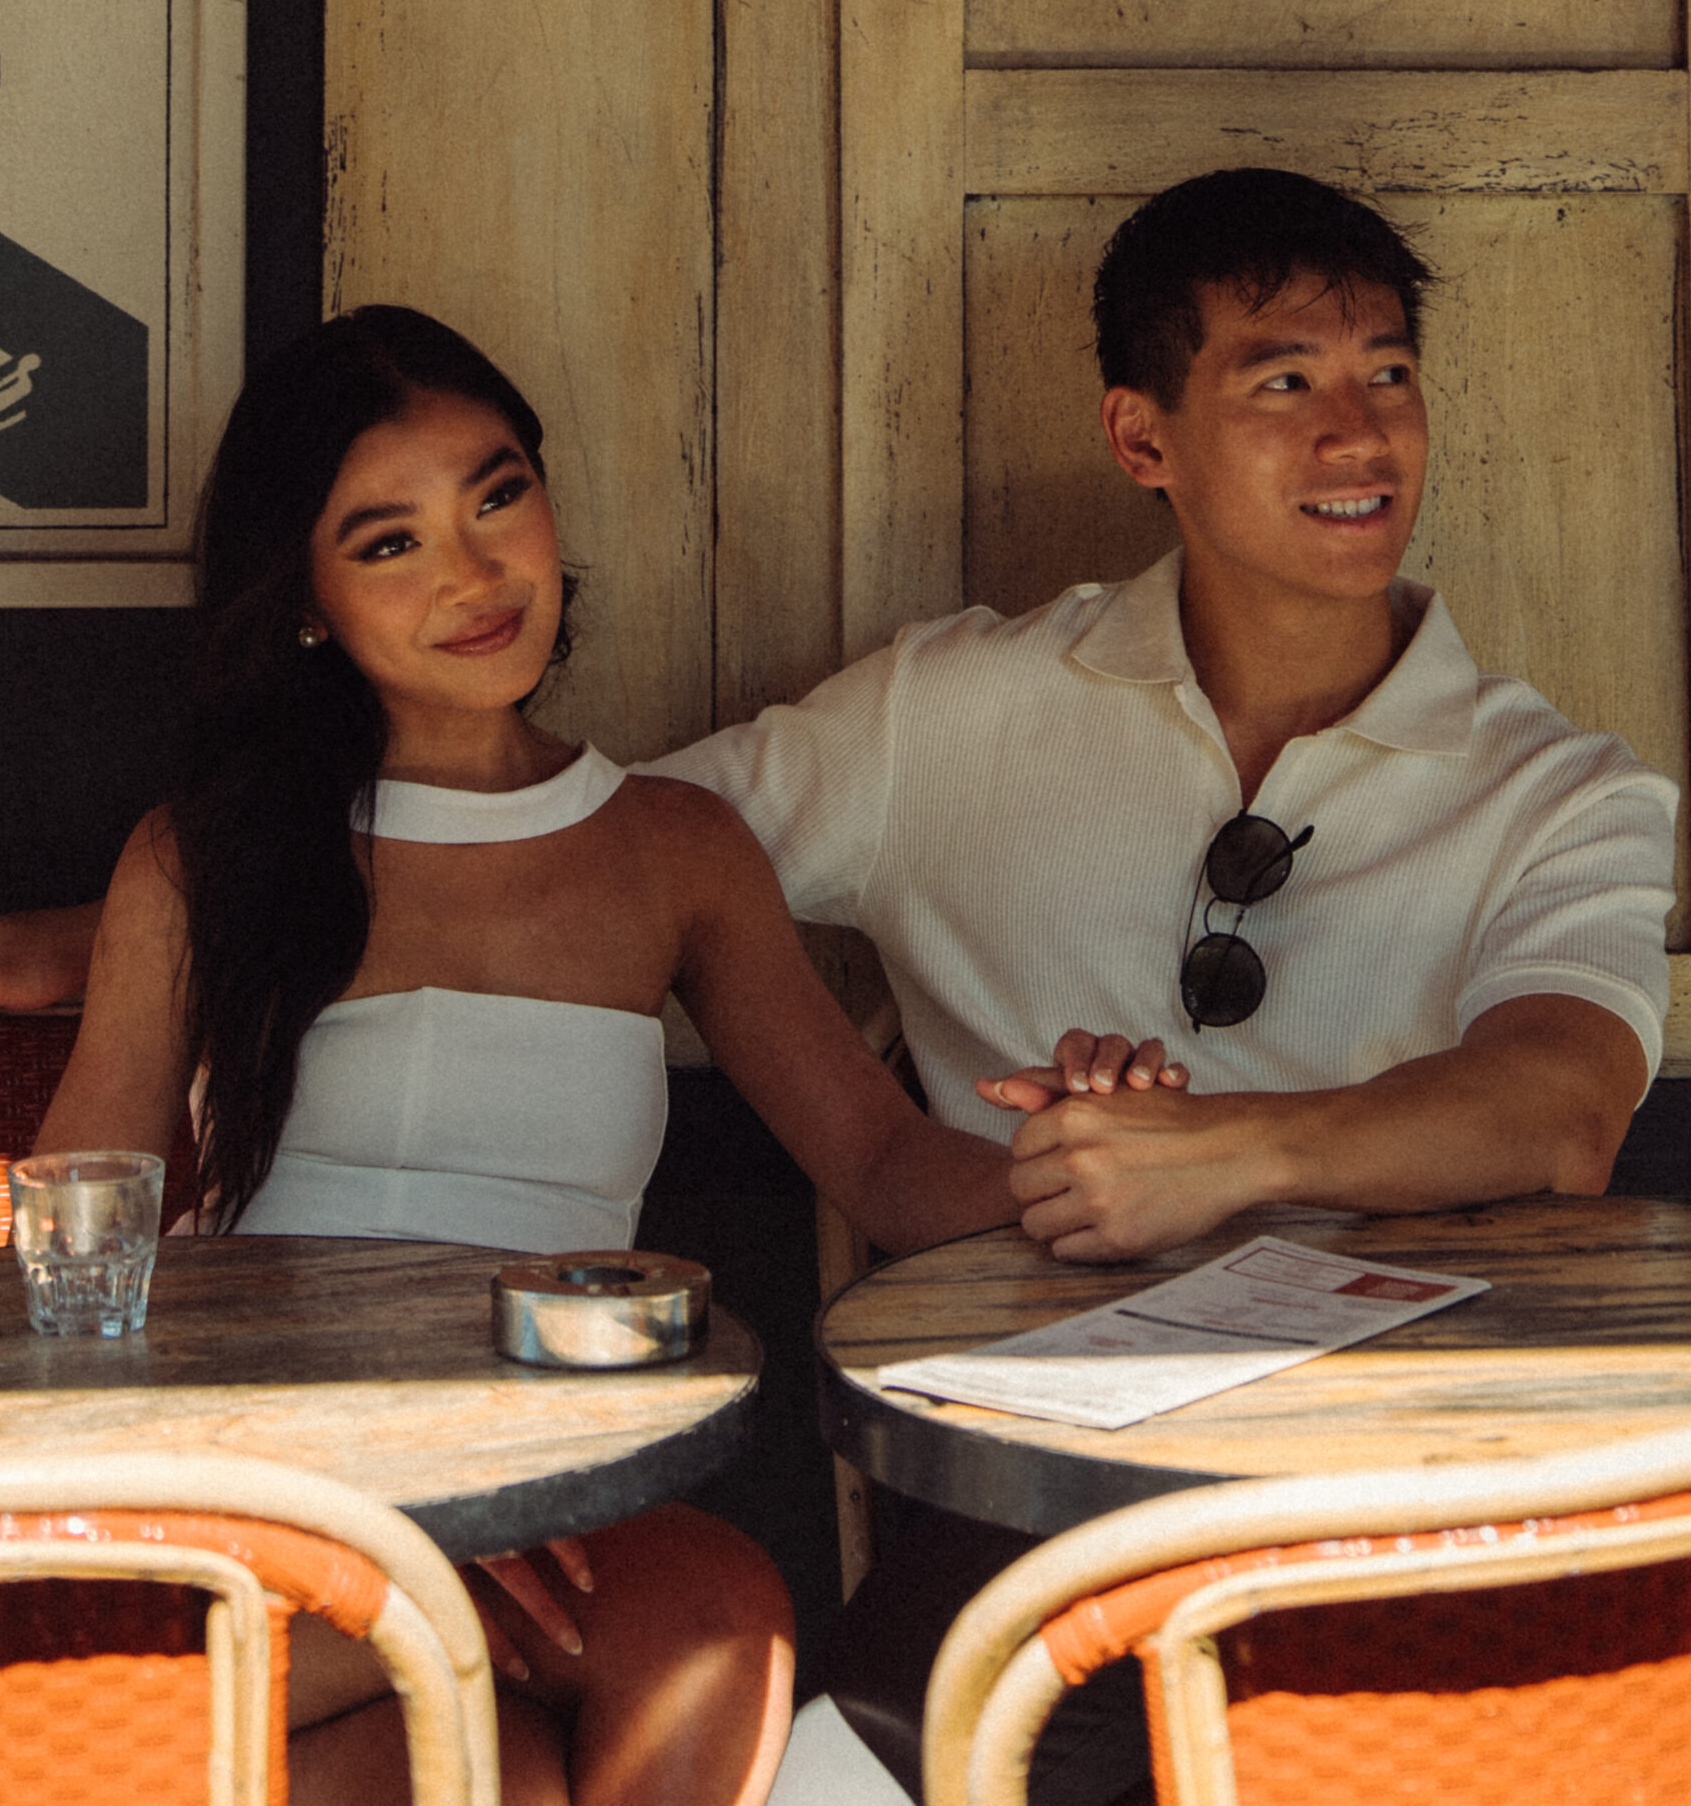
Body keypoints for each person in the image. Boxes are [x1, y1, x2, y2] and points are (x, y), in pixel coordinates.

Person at [649, 165, 1676, 1806]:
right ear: (1144, 441)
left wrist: (1227, 1152)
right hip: (1042, 1480)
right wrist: (157, 913)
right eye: (1283, 382)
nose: (1358, 437)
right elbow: (620, 858)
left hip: (1426, 1482)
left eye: (1386, 375)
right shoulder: (947, 714)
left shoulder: (1559, 789)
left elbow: (1556, 1108)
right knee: (819, 1775)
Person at [32, 305, 1020, 1806]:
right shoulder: (205, 858)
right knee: (487, 1774)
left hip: (551, 1468)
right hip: (278, 1468)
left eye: (496, 498)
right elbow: (84, 1242)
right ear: (304, 598)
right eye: (389, 542)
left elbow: (878, 1158)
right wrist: (372, 1525)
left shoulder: (674, 851)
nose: (473, 573)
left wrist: (1092, 1180)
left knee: (716, 1625)